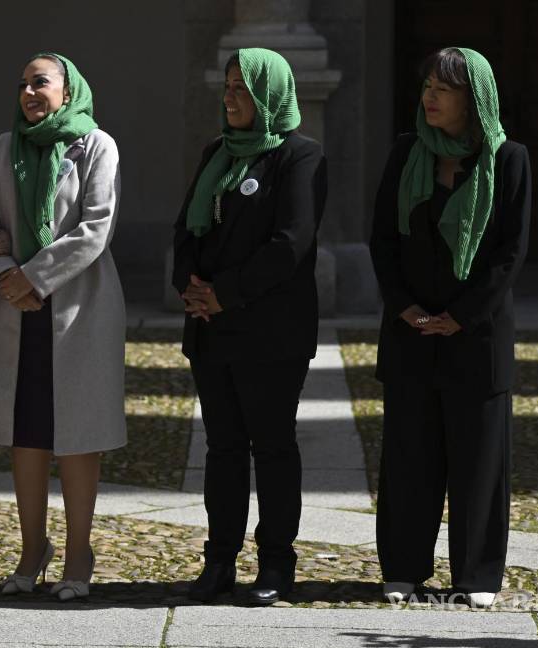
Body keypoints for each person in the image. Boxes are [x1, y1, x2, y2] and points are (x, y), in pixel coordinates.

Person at [370, 47, 531, 608]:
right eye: (428, 85)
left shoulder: (509, 159)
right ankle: (403, 569)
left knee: (480, 461)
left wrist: (461, 315)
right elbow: (382, 242)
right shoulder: (406, 153)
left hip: (477, 336)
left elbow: (510, 255)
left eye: (445, 88)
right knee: (409, 456)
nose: (430, 96)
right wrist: (408, 309)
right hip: (410, 332)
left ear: (474, 99)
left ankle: (477, 575)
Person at [0, 53, 125, 602]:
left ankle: (79, 551)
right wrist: (4, 274)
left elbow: (94, 228)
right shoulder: (5, 147)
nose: (29, 93)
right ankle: (33, 547)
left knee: (77, 438)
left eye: (40, 82)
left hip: (76, 310)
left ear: (67, 88)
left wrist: (31, 274)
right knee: (25, 434)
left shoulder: (96, 145)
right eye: (23, 85)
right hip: (15, 311)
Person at [171, 48, 326, 606]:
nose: (230, 96)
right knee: (223, 449)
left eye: (242, 87)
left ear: (269, 95)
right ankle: (219, 562)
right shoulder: (217, 152)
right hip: (211, 330)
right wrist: (189, 284)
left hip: (269, 331)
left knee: (274, 447)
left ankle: (276, 564)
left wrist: (223, 293)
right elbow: (185, 230)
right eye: (228, 86)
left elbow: (291, 243)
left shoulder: (300, 157)